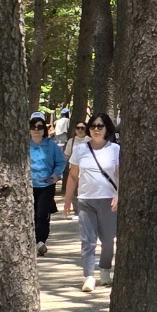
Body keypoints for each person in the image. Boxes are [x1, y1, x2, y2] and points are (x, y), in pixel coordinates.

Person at [63, 112, 120, 293]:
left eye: (100, 126)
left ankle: (104, 269)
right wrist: (67, 200)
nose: (96, 129)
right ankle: (88, 276)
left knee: (108, 241)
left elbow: (121, 176)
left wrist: (119, 195)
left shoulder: (115, 149)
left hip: (108, 200)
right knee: (88, 240)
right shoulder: (80, 149)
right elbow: (73, 176)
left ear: (106, 129)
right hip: (86, 200)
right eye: (93, 126)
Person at [29, 113, 66, 258]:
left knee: (42, 214)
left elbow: (61, 162)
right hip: (29, 186)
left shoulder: (51, 145)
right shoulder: (24, 145)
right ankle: (31, 241)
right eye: (33, 127)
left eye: (39, 127)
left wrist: (56, 174)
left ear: (44, 130)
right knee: (30, 215)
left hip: (46, 185)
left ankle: (40, 242)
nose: (36, 130)